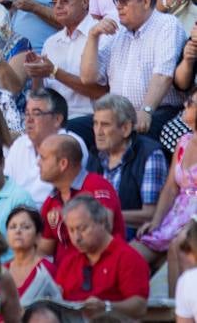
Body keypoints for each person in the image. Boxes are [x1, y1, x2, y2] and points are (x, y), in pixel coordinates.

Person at [79, 0, 186, 142]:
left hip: (159, 110)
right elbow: (88, 77)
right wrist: (93, 36)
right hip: (118, 114)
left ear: (145, 2)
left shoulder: (167, 24)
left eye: (124, 1)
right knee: (71, 130)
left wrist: (146, 110)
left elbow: (163, 75)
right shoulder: (118, 30)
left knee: (127, 135)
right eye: (117, 2)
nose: (118, 7)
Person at [133, 85, 197, 295]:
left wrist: (191, 225)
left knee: (179, 246)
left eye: (191, 103)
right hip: (175, 216)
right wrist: (157, 221)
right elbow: (170, 188)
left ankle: (179, 313)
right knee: (130, 254)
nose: (185, 105)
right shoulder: (184, 141)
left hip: (194, 220)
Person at [24, 0, 107, 120]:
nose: (58, 6)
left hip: (92, 118)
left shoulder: (102, 35)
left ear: (85, 2)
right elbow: (40, 95)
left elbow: (103, 93)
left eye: (65, 1)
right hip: (55, 120)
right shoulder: (51, 42)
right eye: (54, 2)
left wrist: (54, 71)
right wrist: (37, 74)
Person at [55, 194, 149, 318]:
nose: (76, 238)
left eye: (82, 228)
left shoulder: (127, 257)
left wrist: (107, 307)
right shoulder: (69, 261)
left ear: (102, 222)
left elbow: (140, 307)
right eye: (71, 230)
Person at [87, 94, 168, 237]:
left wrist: (110, 216)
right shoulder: (95, 155)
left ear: (126, 128)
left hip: (134, 233)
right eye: (95, 123)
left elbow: (152, 214)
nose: (98, 132)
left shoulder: (150, 155)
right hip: (96, 231)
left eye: (105, 125)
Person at [38, 133, 125, 260]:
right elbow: (46, 248)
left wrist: (67, 216)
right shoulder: (51, 200)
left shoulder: (96, 186)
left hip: (102, 269)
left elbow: (105, 227)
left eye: (43, 158)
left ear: (63, 164)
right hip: (65, 274)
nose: (38, 163)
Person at [4, 205, 59, 304]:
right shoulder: (0, 271)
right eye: (12, 227)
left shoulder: (47, 270)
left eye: (25, 227)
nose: (18, 231)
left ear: (38, 237)